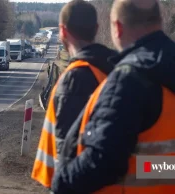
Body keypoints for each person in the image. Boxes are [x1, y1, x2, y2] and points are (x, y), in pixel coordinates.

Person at [51, 0, 175, 193]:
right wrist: (152, 168)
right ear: (160, 21)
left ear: (117, 28)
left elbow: (104, 161)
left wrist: (63, 181)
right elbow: (165, 166)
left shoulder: (130, 80)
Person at [31, 0, 116, 190]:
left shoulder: (75, 80)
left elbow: (68, 154)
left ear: (62, 31)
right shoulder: (116, 70)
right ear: (96, 29)